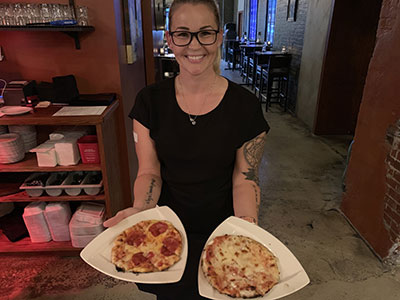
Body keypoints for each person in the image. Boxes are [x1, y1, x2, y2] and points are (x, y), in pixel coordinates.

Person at [103, 0, 269, 299]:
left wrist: (248, 227)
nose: (194, 45)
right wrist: (141, 211)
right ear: (169, 38)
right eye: (182, 33)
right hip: (164, 232)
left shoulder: (246, 106)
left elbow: (246, 178)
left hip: (224, 230)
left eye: (205, 33)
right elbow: (150, 171)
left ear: (219, 37)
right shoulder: (149, 102)